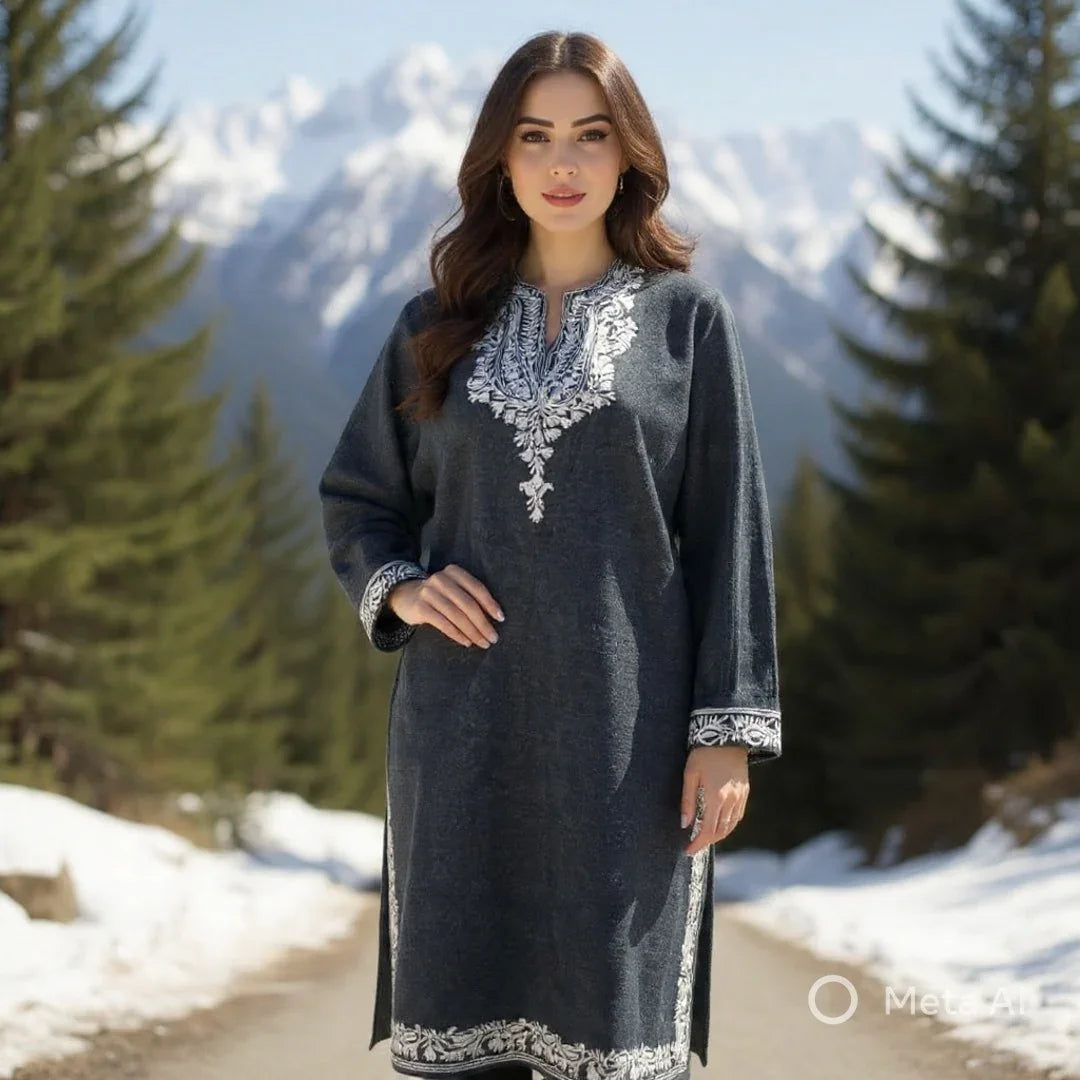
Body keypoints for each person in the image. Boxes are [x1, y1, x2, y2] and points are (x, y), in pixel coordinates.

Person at [318, 29, 782, 1080]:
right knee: (462, 1035)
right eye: (534, 137)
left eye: (589, 135)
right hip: (459, 738)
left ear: (629, 154)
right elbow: (358, 498)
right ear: (500, 156)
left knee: (612, 1037)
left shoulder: (689, 325)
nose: (562, 164)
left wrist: (726, 733)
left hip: (628, 745)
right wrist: (404, 589)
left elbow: (732, 535)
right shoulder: (433, 325)